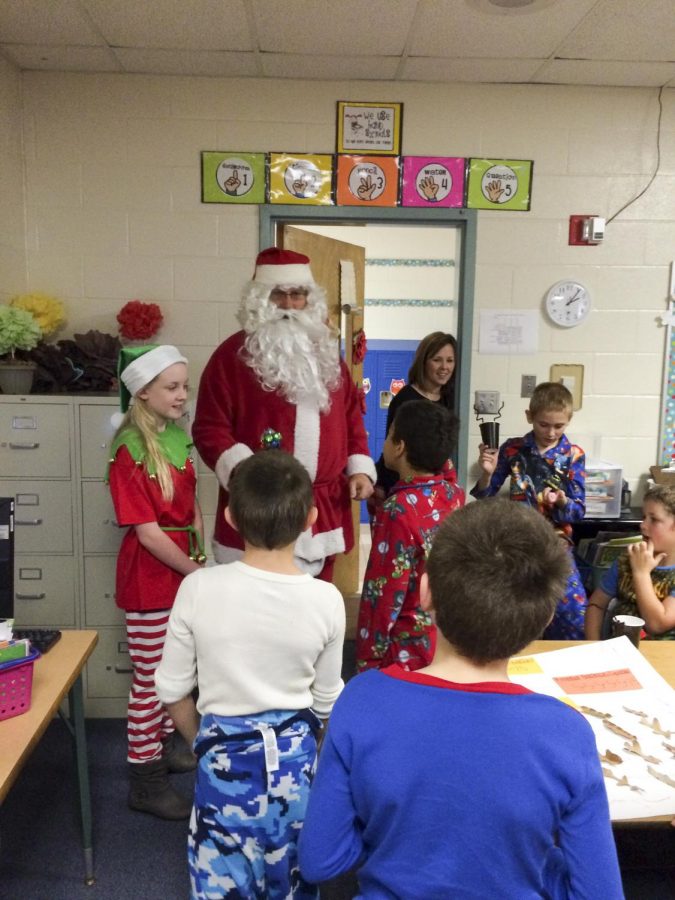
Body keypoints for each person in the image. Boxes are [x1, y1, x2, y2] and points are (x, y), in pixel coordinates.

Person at [298, 500, 624, 900]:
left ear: (425, 591)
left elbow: (319, 860)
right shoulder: (566, 732)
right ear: (543, 618)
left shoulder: (362, 701)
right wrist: (539, 866)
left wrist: (390, 835)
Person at [155, 450, 345, 900]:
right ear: (310, 519)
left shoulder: (198, 588)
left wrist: (200, 742)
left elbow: (172, 689)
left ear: (230, 517)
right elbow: (326, 703)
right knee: (294, 876)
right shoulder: (327, 599)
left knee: (221, 878)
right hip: (296, 761)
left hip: (221, 756)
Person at [192, 246, 375, 581]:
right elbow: (209, 428)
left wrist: (359, 469)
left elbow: (351, 417)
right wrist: (245, 473)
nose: (290, 305)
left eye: (298, 295)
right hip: (259, 510)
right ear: (260, 299)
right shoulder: (230, 357)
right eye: (279, 295)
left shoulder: (328, 357)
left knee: (315, 615)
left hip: (322, 512)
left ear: (310, 299)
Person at [106, 344, 205, 820]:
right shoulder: (129, 450)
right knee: (150, 681)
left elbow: (193, 507)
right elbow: (147, 533)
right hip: (151, 580)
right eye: (172, 387)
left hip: (183, 571)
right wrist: (195, 572)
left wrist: (199, 554)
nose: (183, 394)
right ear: (142, 391)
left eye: (185, 385)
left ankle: (165, 748)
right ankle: (143, 779)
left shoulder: (177, 438)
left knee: (179, 671)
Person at [471, 381, 587, 639]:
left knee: (574, 612)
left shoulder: (573, 456)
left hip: (555, 541)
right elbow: (485, 496)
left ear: (568, 421)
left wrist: (561, 502)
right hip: (516, 541)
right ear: (530, 416)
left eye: (559, 426)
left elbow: (578, 510)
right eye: (544, 424)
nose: (551, 432)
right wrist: (487, 475)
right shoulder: (514, 449)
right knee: (510, 610)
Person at [355, 401, 465, 672]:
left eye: (390, 434)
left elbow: (382, 594)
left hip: (404, 650)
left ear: (399, 446)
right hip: (442, 639)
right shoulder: (453, 494)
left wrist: (368, 662)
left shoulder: (398, 510)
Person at [372, 331, 458, 504]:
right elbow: (394, 445)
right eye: (437, 360)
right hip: (402, 487)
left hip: (438, 488)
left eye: (450, 360)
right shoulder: (406, 399)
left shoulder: (453, 398)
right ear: (423, 362)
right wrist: (381, 485)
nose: (444, 367)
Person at [586, 483, 675, 640]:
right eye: (643, 517)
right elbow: (596, 605)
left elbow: (657, 624)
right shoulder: (626, 559)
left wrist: (641, 573)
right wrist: (593, 645)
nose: (643, 525)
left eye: (653, 520)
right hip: (620, 654)